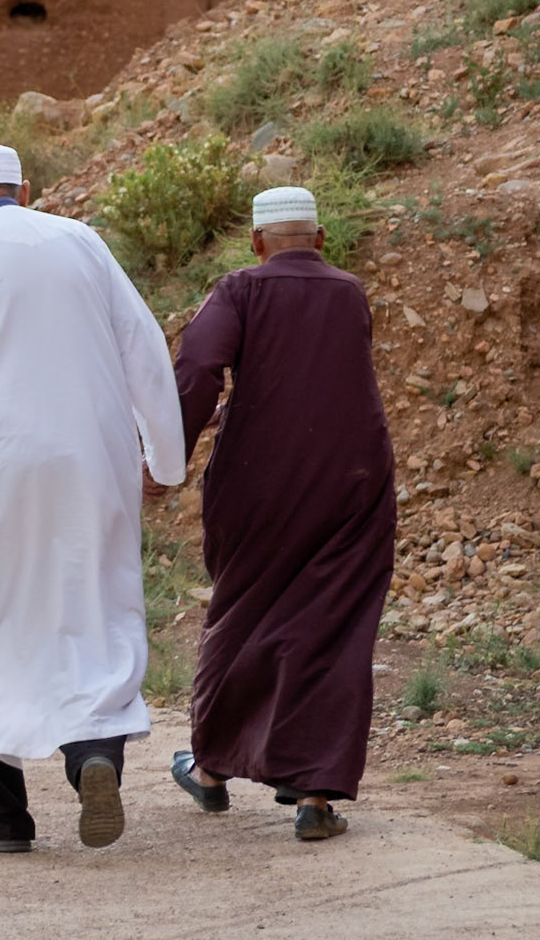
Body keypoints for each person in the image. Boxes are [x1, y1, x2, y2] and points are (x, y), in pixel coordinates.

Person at [0, 141, 186, 853]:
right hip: (90, 460)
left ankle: (3, 817)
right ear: (26, 187)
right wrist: (162, 459)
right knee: (93, 609)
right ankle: (94, 760)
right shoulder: (82, 241)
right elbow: (143, 347)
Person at [164, 185, 395, 843]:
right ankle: (315, 797)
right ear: (320, 240)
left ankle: (210, 769)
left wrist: (170, 457)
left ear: (257, 243)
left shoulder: (239, 289)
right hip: (354, 480)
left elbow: (200, 365)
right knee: (337, 623)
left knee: (241, 610)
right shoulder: (349, 292)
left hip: (258, 482)